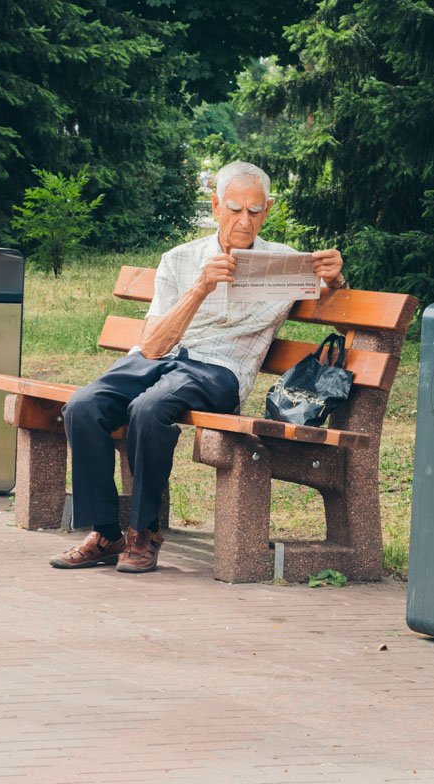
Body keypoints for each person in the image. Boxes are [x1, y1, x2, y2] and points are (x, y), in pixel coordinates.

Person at [49, 161, 346, 574]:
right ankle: (105, 533)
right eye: (235, 209)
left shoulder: (287, 264)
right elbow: (152, 345)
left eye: (255, 211)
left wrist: (336, 281)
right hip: (160, 358)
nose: (245, 220)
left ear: (268, 210)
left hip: (220, 372)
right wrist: (201, 287)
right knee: (82, 405)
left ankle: (144, 532)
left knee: (149, 410)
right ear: (215, 206)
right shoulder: (180, 260)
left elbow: (340, 320)